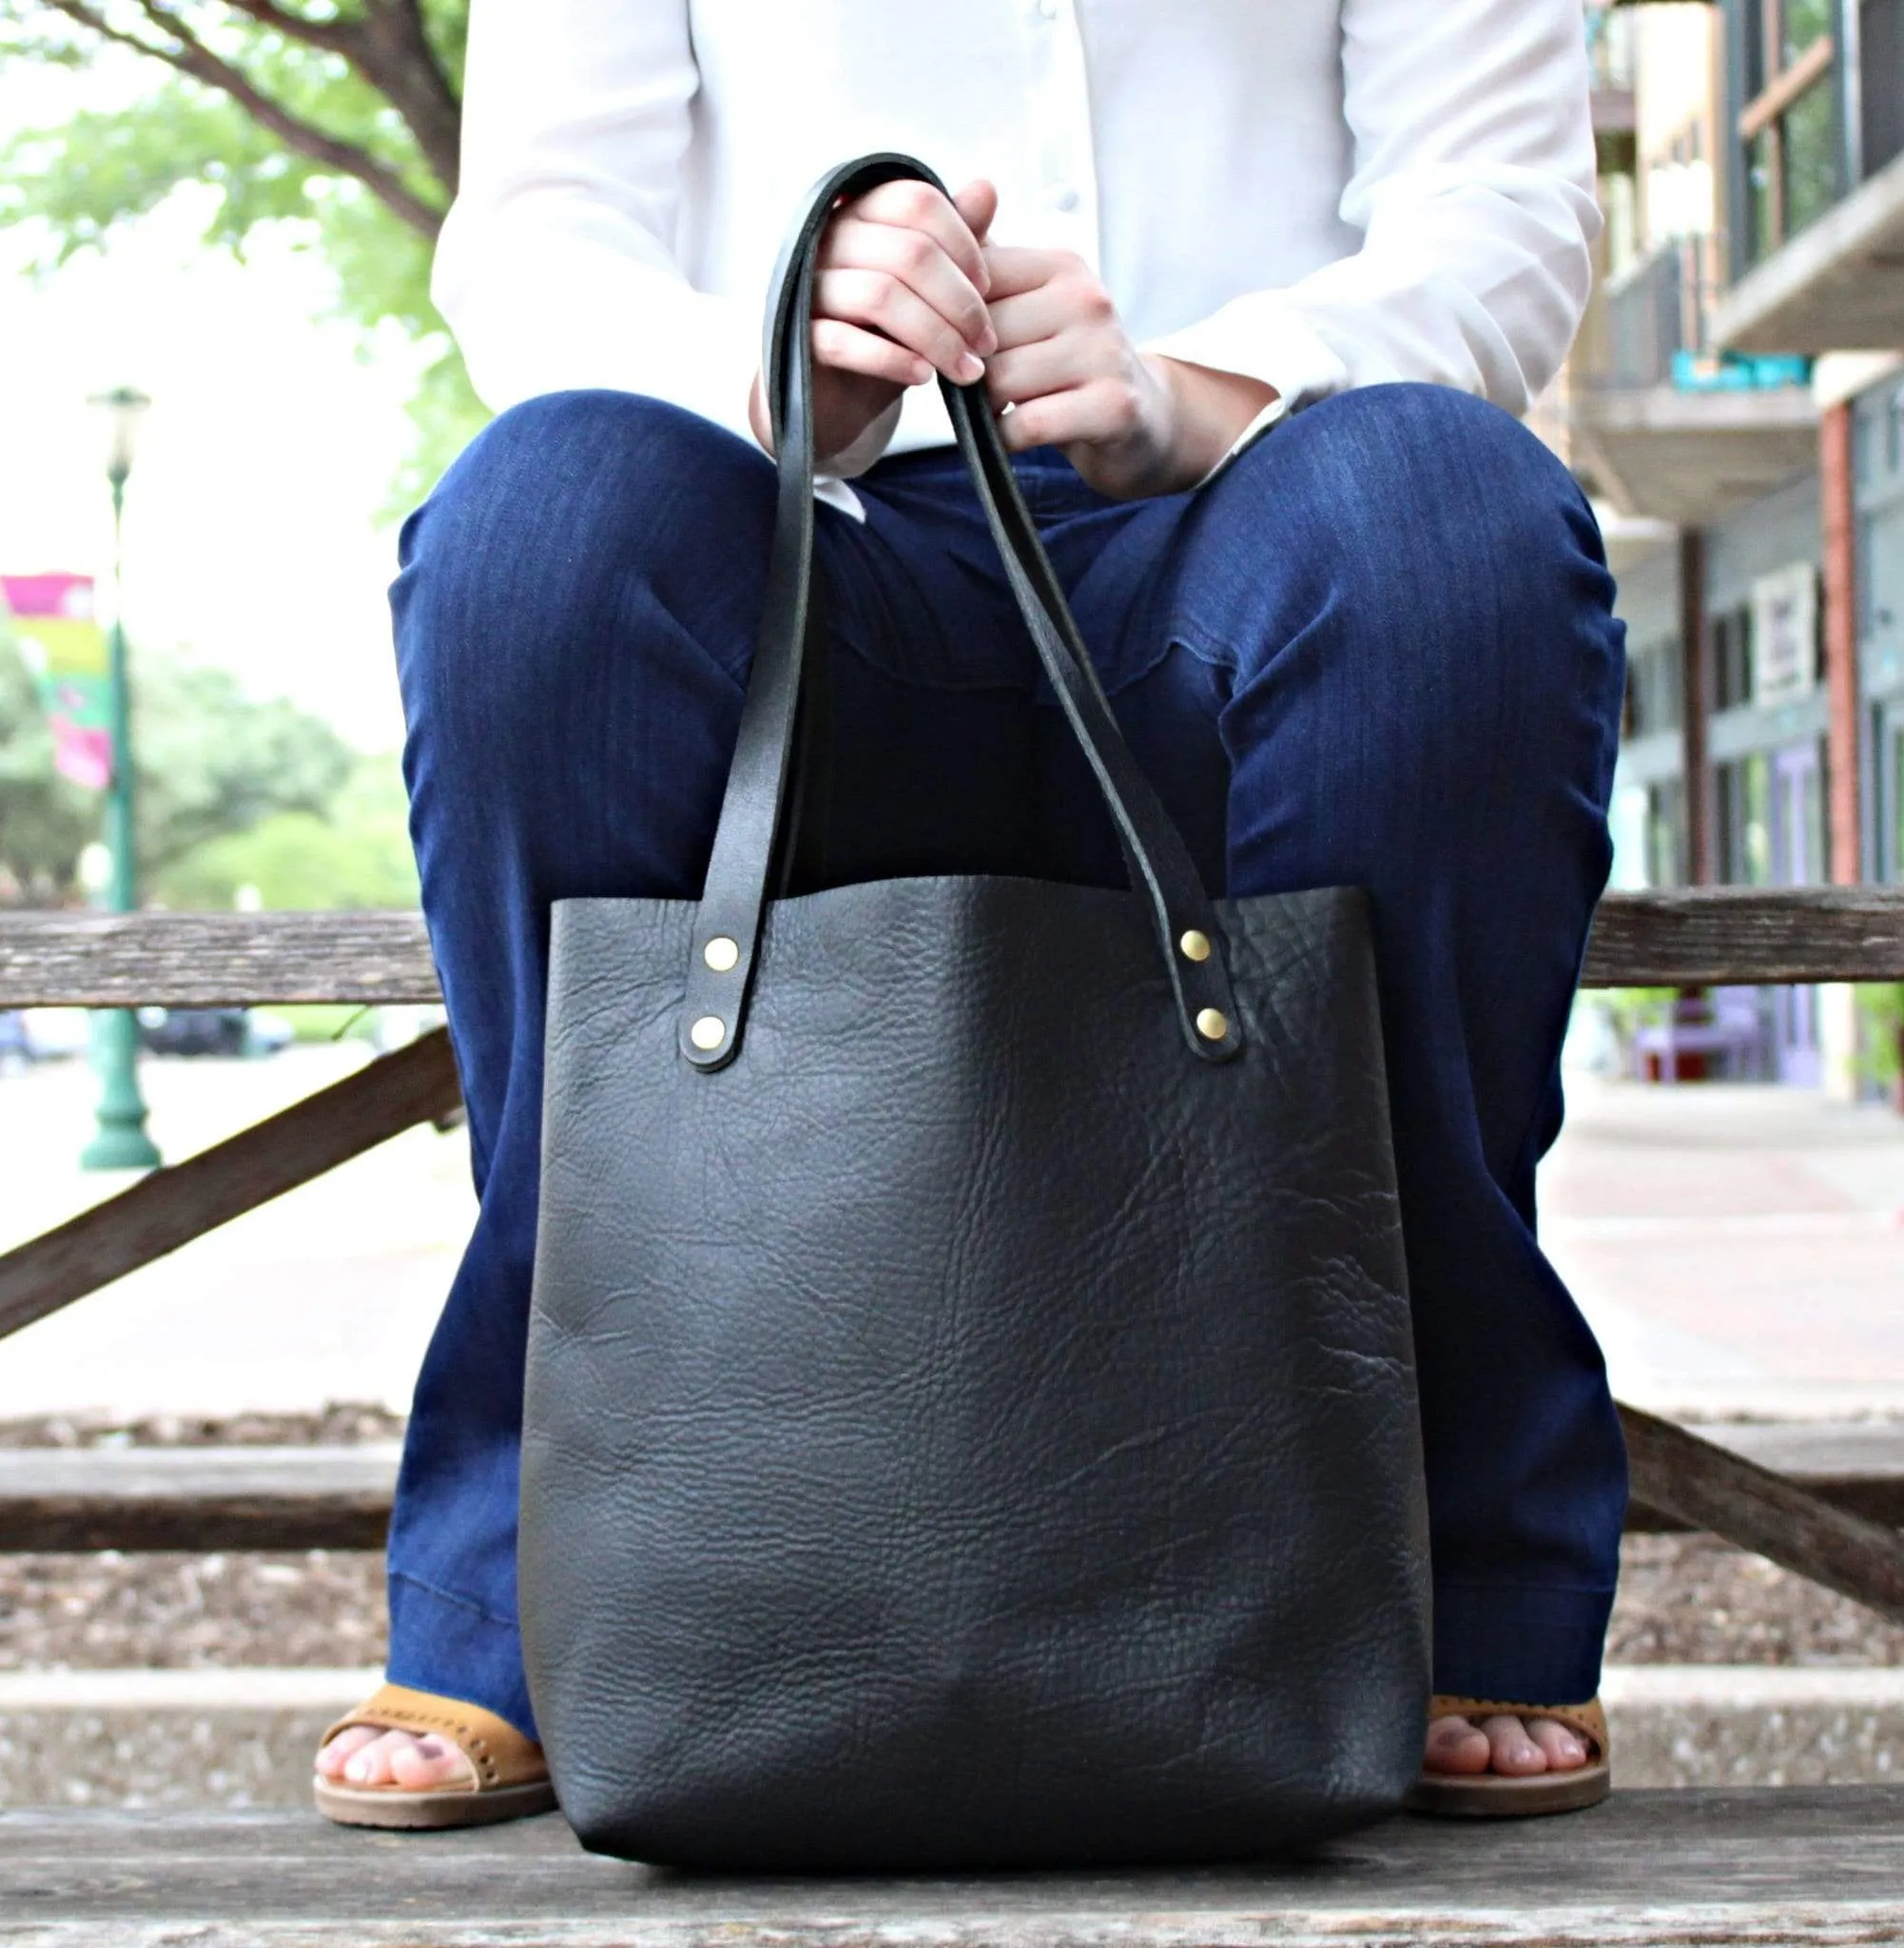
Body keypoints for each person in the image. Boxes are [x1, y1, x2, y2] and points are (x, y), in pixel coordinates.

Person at [314, 0, 1629, 1828]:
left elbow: (1497, 206)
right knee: (540, 529)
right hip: (797, 538)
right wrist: (787, 372)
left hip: (1257, 519)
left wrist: (1205, 385)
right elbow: (539, 235)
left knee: (1450, 520)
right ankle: (535, 1568)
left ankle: (1448, 1550)